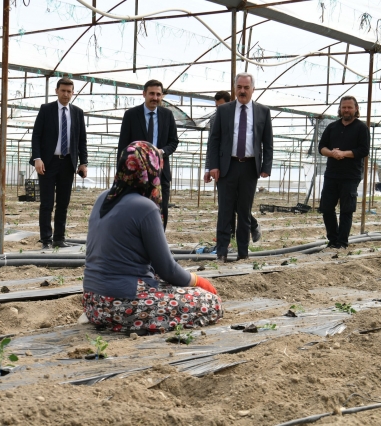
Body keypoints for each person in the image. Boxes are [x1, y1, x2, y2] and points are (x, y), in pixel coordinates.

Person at [83, 141, 223, 333]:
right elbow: (168, 270)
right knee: (210, 302)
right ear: (150, 169)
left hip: (92, 302)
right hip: (119, 304)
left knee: (164, 284)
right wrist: (200, 282)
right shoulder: (145, 207)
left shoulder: (103, 198)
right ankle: (129, 322)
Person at [207, 73, 273, 262]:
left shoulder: (263, 111)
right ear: (234, 88)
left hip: (250, 167)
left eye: (246, 87)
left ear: (253, 89)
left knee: (244, 211)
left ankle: (243, 253)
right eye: (239, 87)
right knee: (225, 210)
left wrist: (266, 166)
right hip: (228, 166)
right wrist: (213, 166)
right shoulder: (224, 110)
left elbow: (268, 142)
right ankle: (222, 252)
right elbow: (215, 140)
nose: (242, 91)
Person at [30, 77, 88, 250]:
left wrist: (83, 162)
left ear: (73, 93)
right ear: (57, 91)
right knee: (47, 202)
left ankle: (59, 238)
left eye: (69, 91)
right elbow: (36, 136)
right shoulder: (46, 109)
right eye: (63, 90)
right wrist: (37, 158)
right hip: (48, 162)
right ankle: (46, 239)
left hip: (68, 163)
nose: (66, 94)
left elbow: (82, 140)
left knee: (63, 203)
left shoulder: (77, 112)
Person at [117, 80, 179, 230]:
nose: (155, 98)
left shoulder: (167, 115)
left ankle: (158, 242)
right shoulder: (131, 115)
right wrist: (121, 173)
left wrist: (161, 152)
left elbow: (173, 141)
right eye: (151, 94)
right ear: (144, 94)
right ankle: (136, 244)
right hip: (136, 172)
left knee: (161, 208)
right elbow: (123, 146)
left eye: (158, 94)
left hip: (160, 171)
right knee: (137, 208)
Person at [205, 91, 261, 243]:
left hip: (241, 165)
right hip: (222, 167)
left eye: (221, 106)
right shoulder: (215, 118)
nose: (219, 110)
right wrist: (208, 168)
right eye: (217, 107)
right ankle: (229, 237)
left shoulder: (241, 115)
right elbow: (212, 145)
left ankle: (251, 226)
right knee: (227, 203)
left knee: (239, 202)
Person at [318, 96, 370, 249]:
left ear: (356, 109)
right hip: (331, 174)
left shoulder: (361, 128)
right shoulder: (332, 127)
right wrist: (332, 153)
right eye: (344, 107)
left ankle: (342, 242)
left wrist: (344, 154)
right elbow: (322, 147)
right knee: (327, 208)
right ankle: (332, 240)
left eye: (349, 107)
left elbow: (364, 150)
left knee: (346, 209)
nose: (346, 110)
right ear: (340, 109)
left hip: (350, 176)